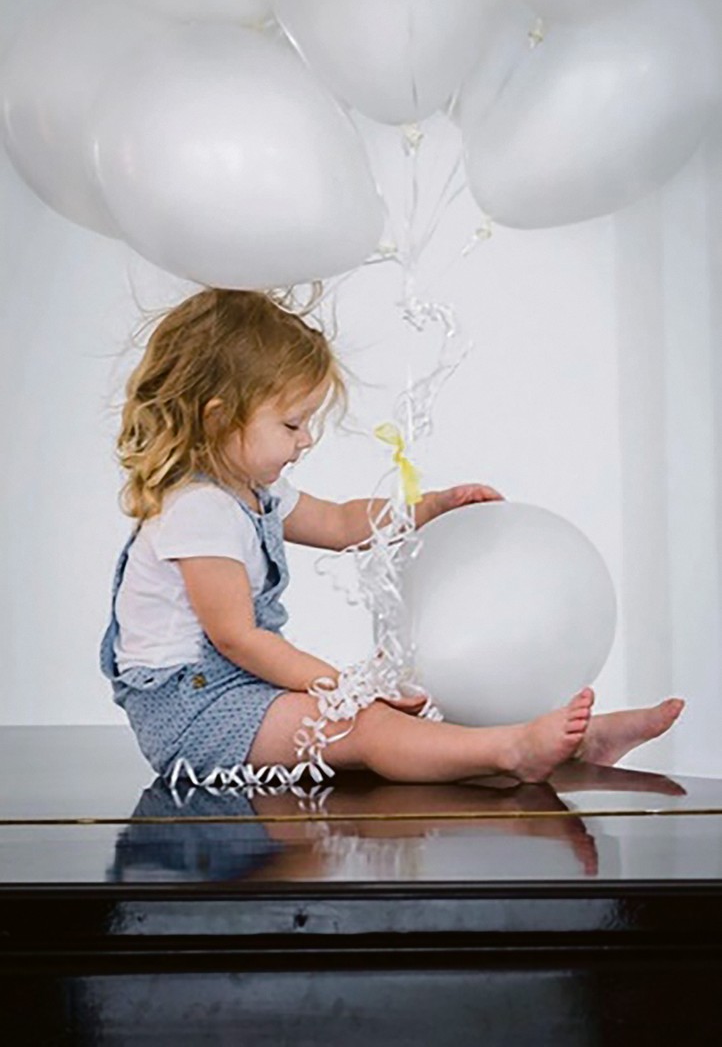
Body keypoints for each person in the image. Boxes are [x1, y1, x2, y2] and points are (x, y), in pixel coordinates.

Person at [99, 288, 684, 786]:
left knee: (406, 703)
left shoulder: (250, 492)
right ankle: (510, 751)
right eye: (292, 424)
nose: (306, 440)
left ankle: (580, 744)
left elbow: (340, 523)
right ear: (217, 417)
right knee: (368, 725)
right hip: (193, 713)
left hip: (233, 694)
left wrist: (428, 507)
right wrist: (347, 689)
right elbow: (237, 639)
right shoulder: (199, 510)